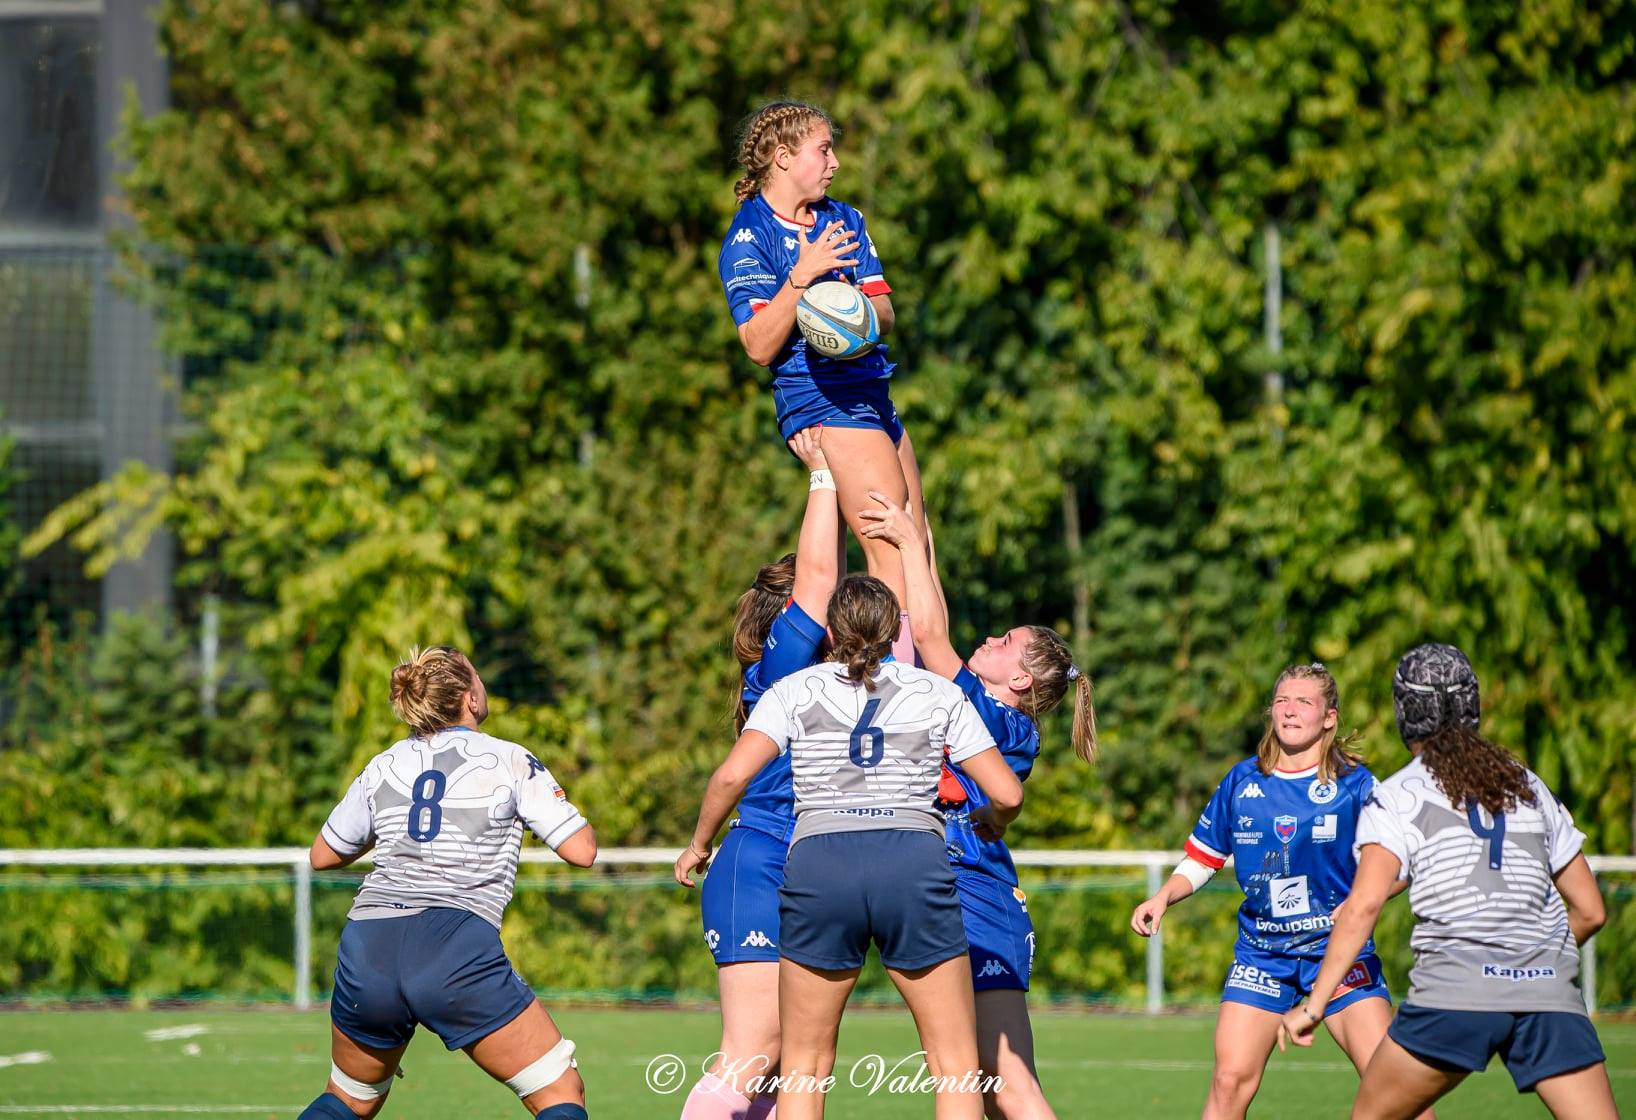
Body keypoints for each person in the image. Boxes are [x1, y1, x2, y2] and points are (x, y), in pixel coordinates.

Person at [675, 574, 1025, 1120]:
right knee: (955, 1066)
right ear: (893, 632)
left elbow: (728, 779)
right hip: (913, 860)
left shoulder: (794, 689)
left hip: (820, 861)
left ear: (832, 629)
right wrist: (991, 819)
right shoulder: (938, 692)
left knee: (804, 1067)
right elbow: (1007, 791)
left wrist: (698, 845)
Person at [1279, 643, 1616, 1120]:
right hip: (1548, 994)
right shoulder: (1529, 784)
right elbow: (1591, 911)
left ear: (1406, 711)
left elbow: (1363, 905)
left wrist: (1313, 1006)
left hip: (1455, 993)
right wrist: (1531, 961)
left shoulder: (1398, 794)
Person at [859, 493, 1093, 1120]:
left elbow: (932, 634)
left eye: (1005, 641)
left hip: (977, 898)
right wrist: (922, 539)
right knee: (988, 1089)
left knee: (1007, 1085)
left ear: (1018, 680)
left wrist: (909, 542)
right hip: (959, 889)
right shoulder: (993, 714)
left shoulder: (996, 718)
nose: (990, 638)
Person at [296, 646, 598, 1120]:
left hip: (369, 941)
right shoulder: (509, 758)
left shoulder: (384, 763)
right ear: (469, 697)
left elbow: (322, 854)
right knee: (560, 1092)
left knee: (349, 1100)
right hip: (452, 944)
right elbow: (582, 851)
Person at [1128, 662, 1426, 1120]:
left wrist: (1363, 899)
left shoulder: (1357, 785)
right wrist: (1163, 895)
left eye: (1304, 702)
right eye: (1282, 701)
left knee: (1393, 1085)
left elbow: (1404, 863)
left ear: (1329, 716)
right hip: (1261, 954)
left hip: (1339, 952)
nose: (1289, 711)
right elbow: (1205, 857)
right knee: (1228, 1083)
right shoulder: (1242, 781)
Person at [717, 99, 924, 662]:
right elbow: (759, 344)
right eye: (823, 149)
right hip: (823, 400)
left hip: (872, 391)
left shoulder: (845, 219)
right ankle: (898, 703)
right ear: (783, 158)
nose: (834, 161)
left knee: (918, 548)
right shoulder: (748, 238)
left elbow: (884, 314)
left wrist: (851, 312)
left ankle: (931, 685)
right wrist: (802, 280)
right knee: (889, 555)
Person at [680, 427, 839, 1120]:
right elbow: (822, 579)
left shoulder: (833, 674)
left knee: (783, 1072)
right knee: (753, 1052)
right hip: (759, 860)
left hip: (802, 870)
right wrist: (825, 477)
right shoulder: (784, 660)